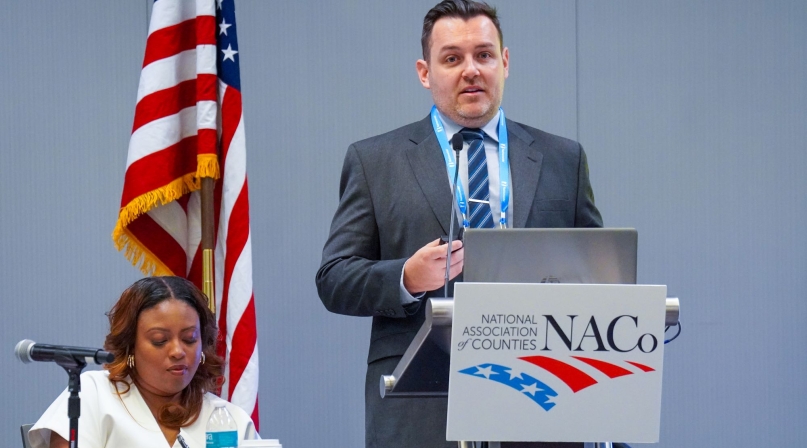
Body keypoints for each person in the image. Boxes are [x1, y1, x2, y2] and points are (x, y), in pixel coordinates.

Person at [316, 1, 602, 447]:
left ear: (504, 63)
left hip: (539, 397)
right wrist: (406, 277)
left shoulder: (563, 159)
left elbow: (598, 277)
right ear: (424, 72)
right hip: (421, 407)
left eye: (484, 55)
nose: (471, 70)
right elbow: (334, 279)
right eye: (452, 58)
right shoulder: (376, 161)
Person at [29, 276, 258, 448]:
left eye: (190, 339)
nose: (178, 351)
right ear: (130, 345)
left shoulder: (230, 419)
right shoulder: (92, 394)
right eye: (160, 340)